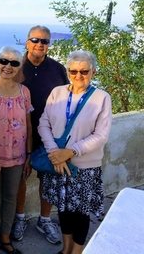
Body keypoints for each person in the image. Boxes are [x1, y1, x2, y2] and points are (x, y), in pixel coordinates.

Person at [39, 50, 112, 254]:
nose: (78, 75)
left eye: (84, 71)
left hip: (84, 167)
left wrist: (69, 152)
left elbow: (101, 136)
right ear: (68, 71)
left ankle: (76, 252)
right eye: (73, 71)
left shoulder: (101, 98)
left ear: (93, 72)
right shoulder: (57, 93)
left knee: (80, 214)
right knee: (64, 210)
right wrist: (55, 153)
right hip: (58, 163)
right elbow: (44, 123)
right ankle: (66, 250)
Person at [11, 26, 69, 244]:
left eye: (44, 41)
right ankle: (19, 218)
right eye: (35, 40)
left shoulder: (57, 69)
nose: (39, 44)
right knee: (19, 178)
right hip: (18, 134)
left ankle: (44, 220)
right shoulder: (15, 66)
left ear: (48, 45)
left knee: (49, 177)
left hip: (50, 135)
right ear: (27, 42)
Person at [0, 46, 33, 254]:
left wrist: (28, 155)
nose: (8, 66)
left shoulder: (24, 92)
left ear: (19, 67)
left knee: (11, 197)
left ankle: (5, 237)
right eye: (4, 61)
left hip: (18, 156)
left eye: (14, 63)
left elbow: (28, 125)